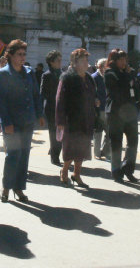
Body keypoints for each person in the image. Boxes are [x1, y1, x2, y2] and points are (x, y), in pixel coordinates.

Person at [0, 39, 44, 203]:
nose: (23, 57)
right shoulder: (3, 74)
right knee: (13, 155)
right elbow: (0, 101)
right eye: (19, 54)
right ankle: (7, 187)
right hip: (12, 124)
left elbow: (36, 95)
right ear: (10, 56)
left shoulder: (29, 72)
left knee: (24, 156)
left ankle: (19, 188)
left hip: (28, 121)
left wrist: (40, 114)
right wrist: (6, 123)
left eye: (24, 54)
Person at [55, 49, 97, 188]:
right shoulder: (67, 77)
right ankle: (64, 171)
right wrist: (60, 121)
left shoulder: (89, 78)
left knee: (82, 149)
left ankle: (77, 174)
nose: (86, 63)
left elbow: (92, 95)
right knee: (70, 149)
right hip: (71, 120)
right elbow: (59, 100)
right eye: (83, 60)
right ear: (74, 62)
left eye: (87, 60)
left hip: (86, 119)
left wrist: (95, 102)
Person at [104, 49, 140, 183]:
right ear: (114, 60)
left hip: (130, 112)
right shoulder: (110, 73)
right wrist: (128, 75)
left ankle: (128, 168)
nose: (124, 62)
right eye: (121, 59)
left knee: (133, 142)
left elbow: (135, 88)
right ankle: (116, 171)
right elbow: (119, 89)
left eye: (125, 59)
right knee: (116, 143)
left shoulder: (128, 73)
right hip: (115, 112)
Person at [40, 50, 63, 166]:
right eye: (58, 60)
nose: (60, 62)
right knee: (54, 133)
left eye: (60, 60)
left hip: (63, 108)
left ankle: (54, 150)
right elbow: (43, 92)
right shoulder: (46, 75)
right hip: (51, 108)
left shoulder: (63, 74)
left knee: (62, 133)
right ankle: (55, 157)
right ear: (51, 62)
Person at [92, 58, 111, 160]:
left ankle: (104, 151)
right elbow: (90, 92)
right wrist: (95, 99)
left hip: (108, 108)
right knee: (98, 131)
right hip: (99, 109)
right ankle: (97, 153)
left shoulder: (108, 77)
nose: (108, 67)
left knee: (109, 132)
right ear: (100, 67)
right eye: (106, 65)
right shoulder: (94, 77)